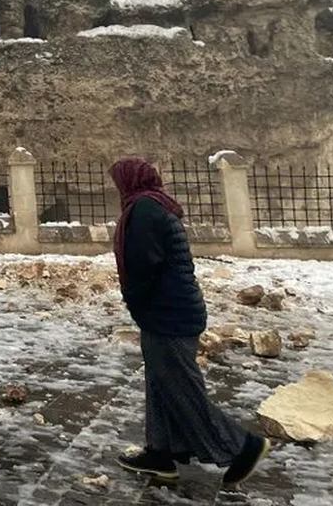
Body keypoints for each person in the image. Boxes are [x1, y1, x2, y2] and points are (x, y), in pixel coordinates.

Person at [110, 157, 269, 487]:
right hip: (174, 310)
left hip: (166, 314)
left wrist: (135, 302)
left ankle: (243, 447)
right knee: (161, 384)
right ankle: (161, 453)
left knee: (182, 390)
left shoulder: (143, 210)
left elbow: (144, 267)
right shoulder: (157, 205)